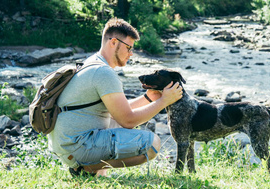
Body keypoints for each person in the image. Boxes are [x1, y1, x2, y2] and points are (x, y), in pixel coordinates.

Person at [47, 18, 183, 177]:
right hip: (77, 146)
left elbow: (118, 112)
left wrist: (148, 98)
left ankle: (94, 171)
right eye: (129, 48)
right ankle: (87, 169)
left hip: (66, 144)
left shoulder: (92, 63)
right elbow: (128, 120)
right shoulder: (103, 73)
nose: (131, 54)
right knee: (152, 144)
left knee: (114, 121)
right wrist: (164, 101)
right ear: (113, 42)